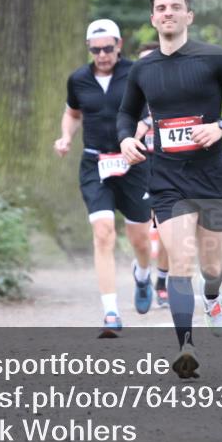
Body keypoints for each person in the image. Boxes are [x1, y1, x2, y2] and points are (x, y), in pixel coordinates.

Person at [118, 0, 222, 378]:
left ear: (189, 16)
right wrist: (126, 139)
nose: (168, 12)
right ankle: (186, 347)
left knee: (211, 264)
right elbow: (126, 114)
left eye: (175, 7)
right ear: (153, 18)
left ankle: (213, 298)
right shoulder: (143, 69)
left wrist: (221, 125)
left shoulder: (215, 58)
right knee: (180, 260)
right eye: (161, 8)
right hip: (166, 177)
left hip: (212, 175)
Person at [54, 19, 155, 338]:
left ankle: (142, 274)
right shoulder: (78, 80)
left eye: (108, 48)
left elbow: (152, 109)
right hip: (95, 163)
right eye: (95, 50)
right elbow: (72, 113)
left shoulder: (136, 73)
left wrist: (142, 131)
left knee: (139, 238)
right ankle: (111, 312)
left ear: (119, 45)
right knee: (103, 233)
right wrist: (65, 138)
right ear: (89, 49)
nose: (102, 55)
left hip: (134, 161)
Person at [133, 42, 170, 308]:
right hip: (139, 167)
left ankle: (162, 283)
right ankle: (143, 268)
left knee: (168, 229)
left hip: (168, 166)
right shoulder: (130, 97)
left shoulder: (175, 93)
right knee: (143, 232)